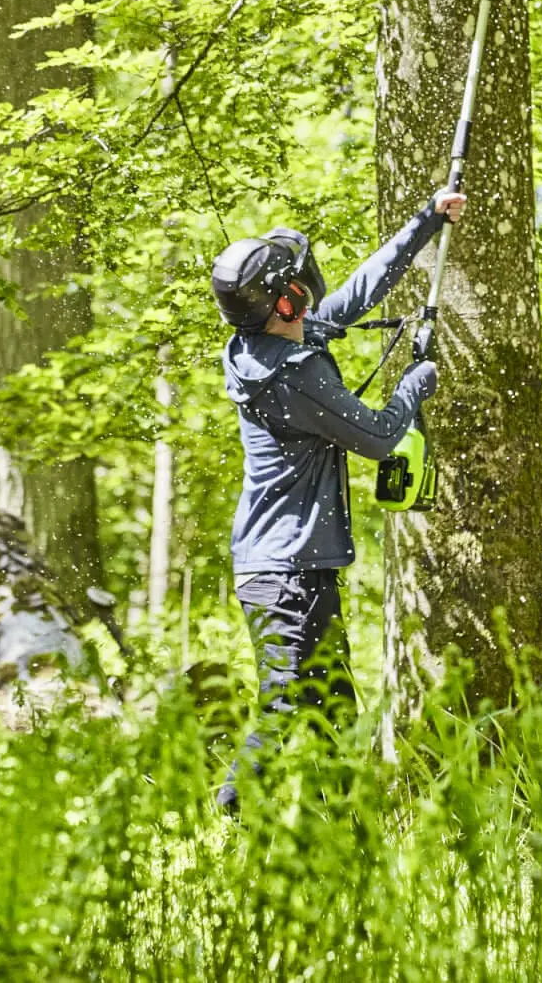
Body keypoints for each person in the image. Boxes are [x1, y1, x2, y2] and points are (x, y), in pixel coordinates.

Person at [209, 188, 465, 806]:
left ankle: (339, 832)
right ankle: (230, 813)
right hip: (286, 574)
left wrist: (427, 220)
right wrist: (414, 384)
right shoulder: (292, 374)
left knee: (332, 713)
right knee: (284, 709)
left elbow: (359, 292)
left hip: (292, 568)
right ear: (288, 299)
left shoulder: (264, 344)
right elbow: (378, 437)